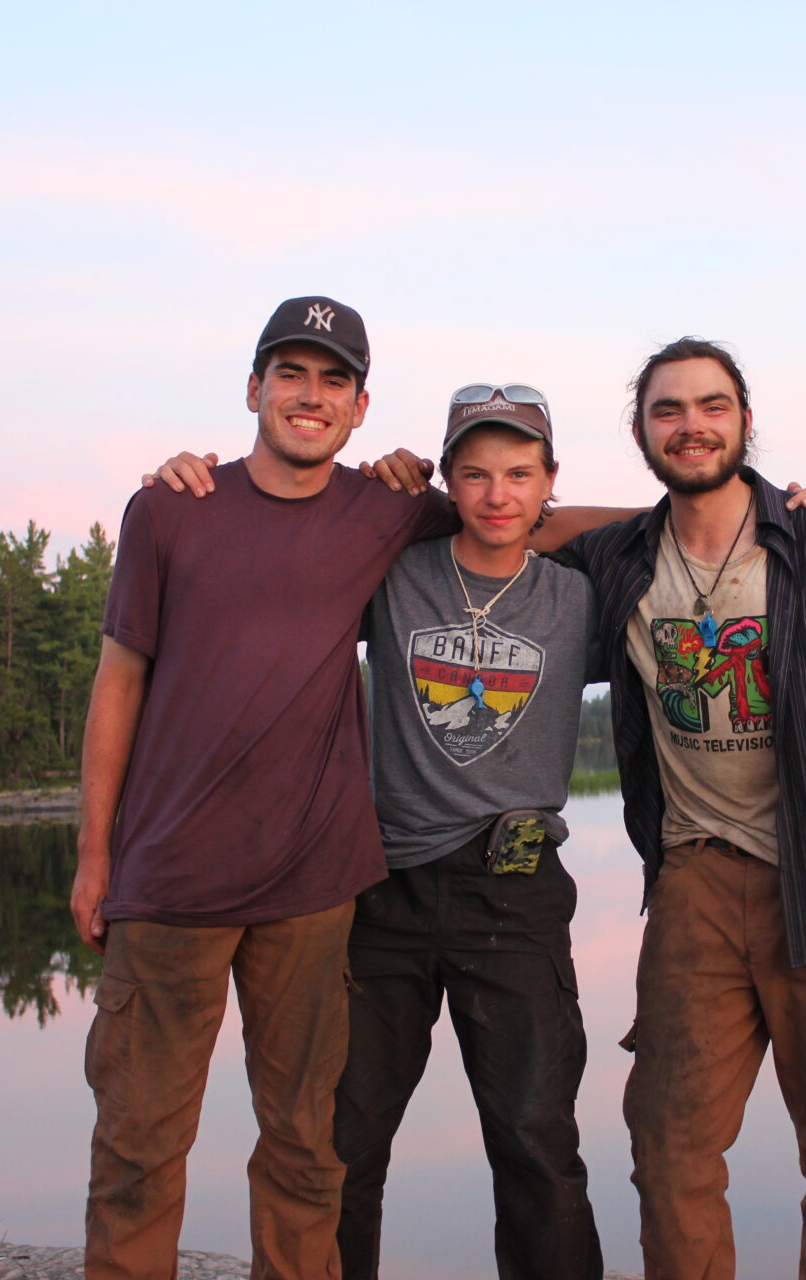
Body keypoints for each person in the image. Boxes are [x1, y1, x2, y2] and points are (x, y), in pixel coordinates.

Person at [371, 337, 806, 1279]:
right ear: (641, 433)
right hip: (696, 878)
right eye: (667, 411)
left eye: (712, 406)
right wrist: (402, 499)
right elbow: (507, 524)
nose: (691, 425)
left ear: (745, 421)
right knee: (669, 1145)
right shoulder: (620, 560)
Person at [71, 295, 461, 1280]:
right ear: (254, 389)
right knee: (136, 1145)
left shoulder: (385, 510)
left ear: (361, 407)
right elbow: (118, 683)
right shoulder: (170, 506)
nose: (310, 394)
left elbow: (514, 510)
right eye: (291, 373)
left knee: (303, 1145)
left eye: (334, 379)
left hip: (313, 884)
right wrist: (93, 855)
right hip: (170, 884)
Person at [335, 383, 603, 1279]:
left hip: (514, 894)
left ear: (549, 483)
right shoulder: (393, 574)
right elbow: (297, 523)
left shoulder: (577, 600)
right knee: (343, 1141)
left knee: (534, 1140)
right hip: (388, 892)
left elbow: (684, 524)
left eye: (520, 474)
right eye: (476, 474)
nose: (498, 496)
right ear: (446, 480)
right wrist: (385, 495)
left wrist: (768, 501)